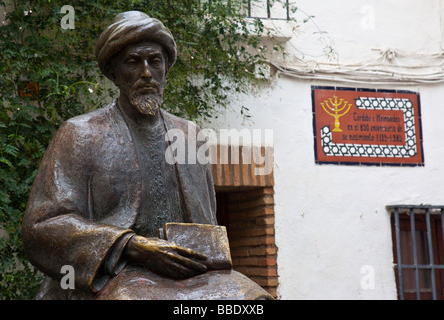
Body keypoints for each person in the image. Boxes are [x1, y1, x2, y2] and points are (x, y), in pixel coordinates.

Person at [22, 11, 272, 300]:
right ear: (114, 73)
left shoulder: (190, 135)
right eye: (133, 62)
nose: (146, 73)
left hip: (191, 276)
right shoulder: (80, 134)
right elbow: (42, 226)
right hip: (116, 274)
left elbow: (207, 225)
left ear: (166, 67)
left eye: (155, 61)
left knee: (253, 300)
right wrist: (132, 246)